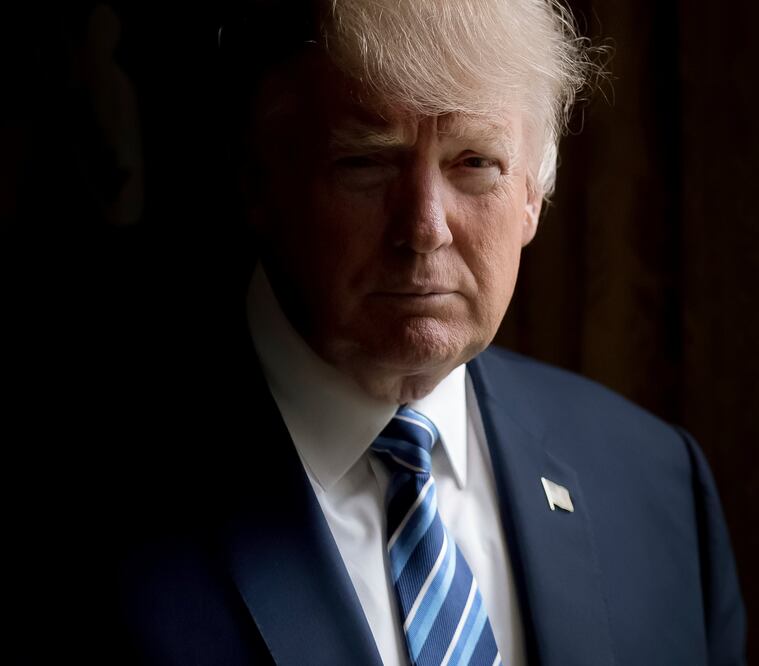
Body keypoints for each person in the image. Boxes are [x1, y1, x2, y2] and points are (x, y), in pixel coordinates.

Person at [108, 0, 748, 664]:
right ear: (258, 183)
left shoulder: (656, 485)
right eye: (366, 162)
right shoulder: (119, 496)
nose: (423, 229)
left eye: (474, 163)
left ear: (533, 195)